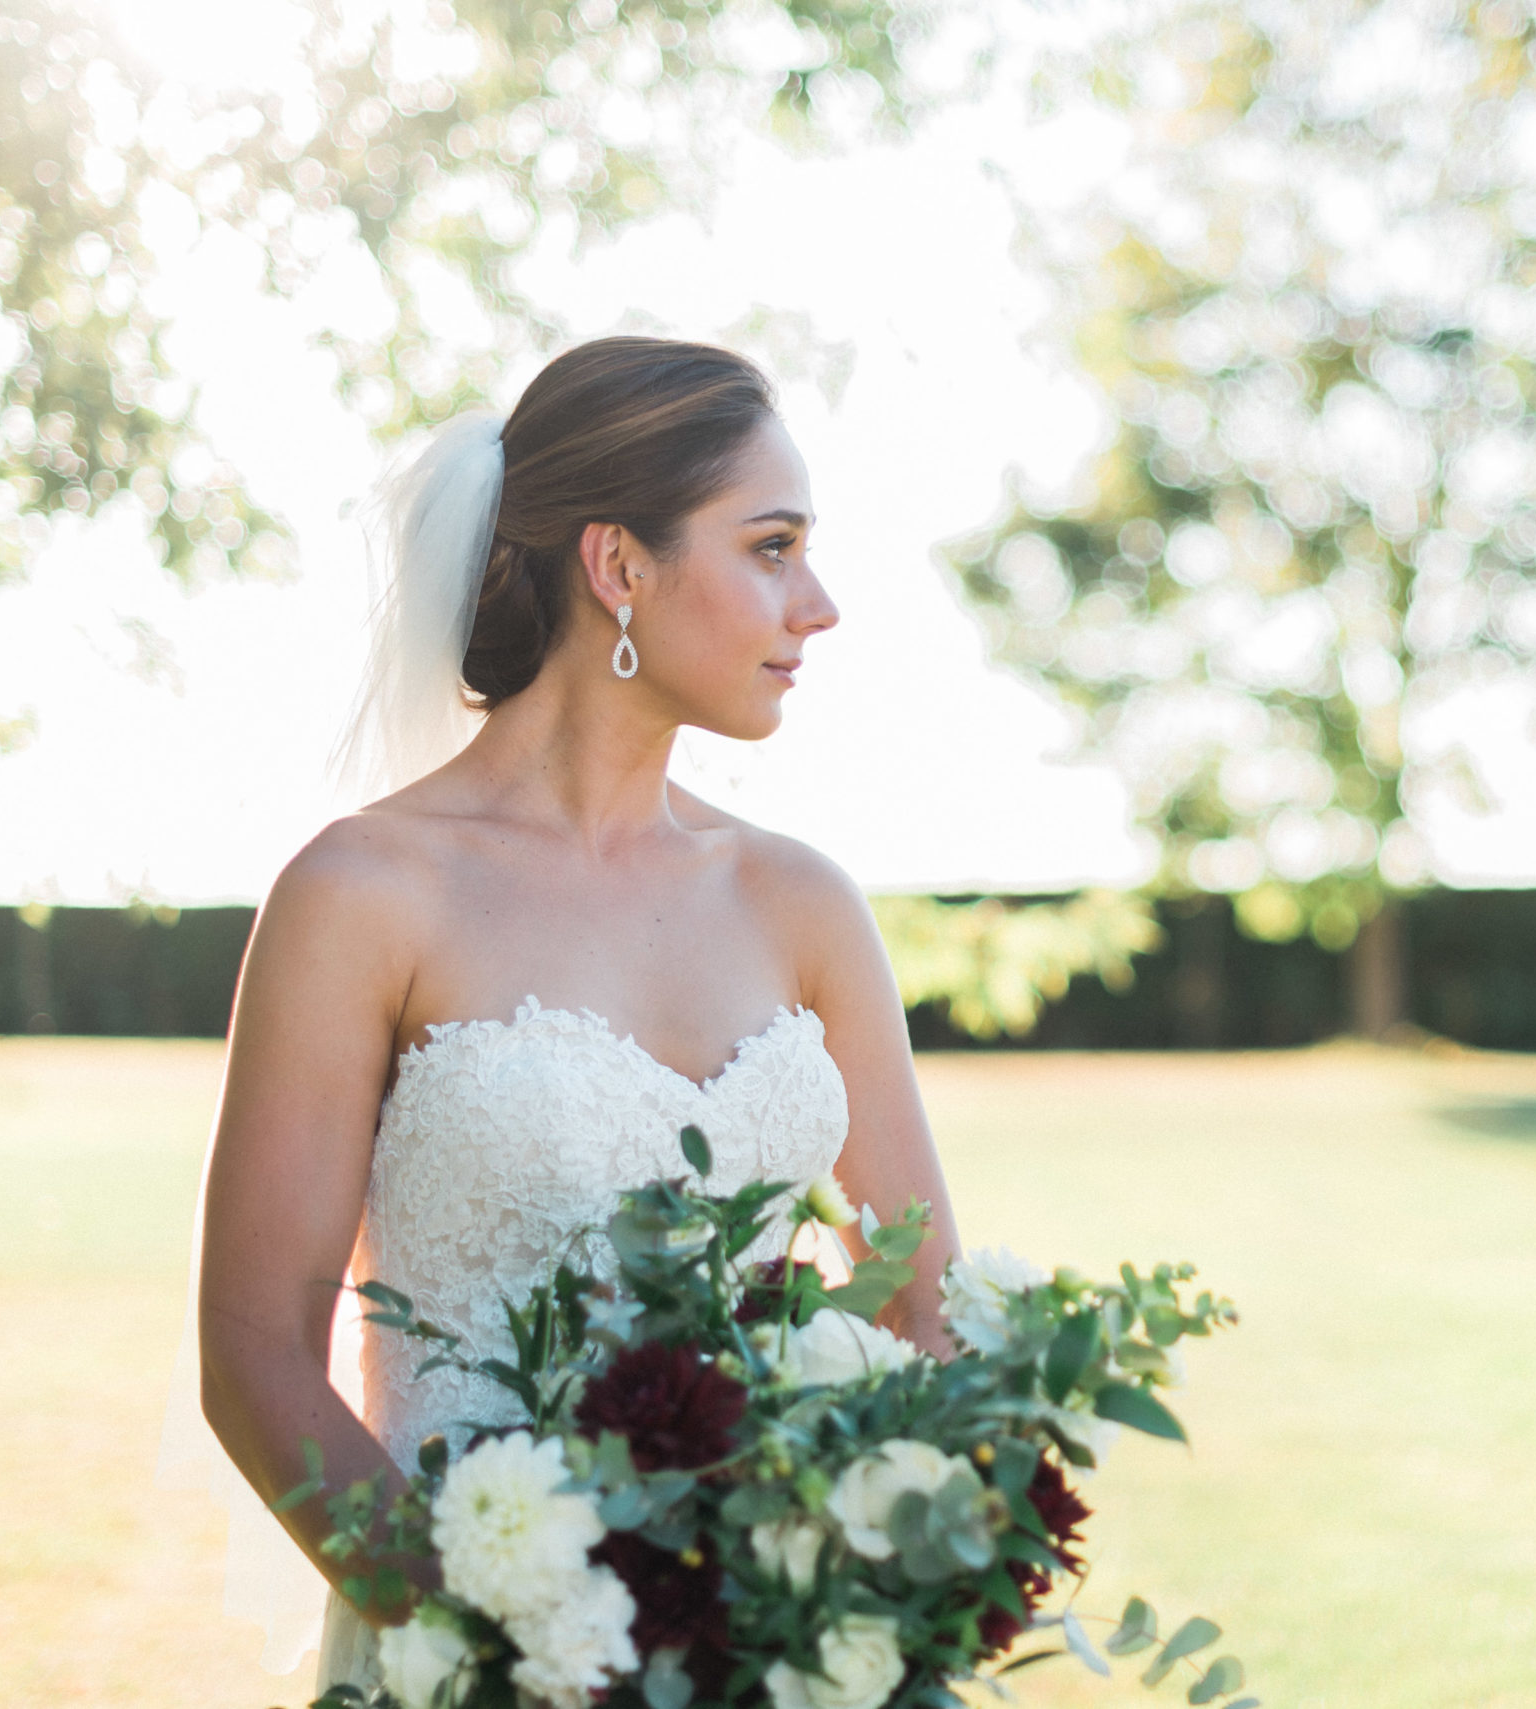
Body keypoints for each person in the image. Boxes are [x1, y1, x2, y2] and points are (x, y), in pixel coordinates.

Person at [161, 335, 962, 1691]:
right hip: (459, 1654)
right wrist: (510, 1654)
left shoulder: (805, 904)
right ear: (619, 568)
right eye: (771, 546)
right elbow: (254, 1354)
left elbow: (925, 1318)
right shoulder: (362, 894)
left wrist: (827, 1599)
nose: (816, 604)